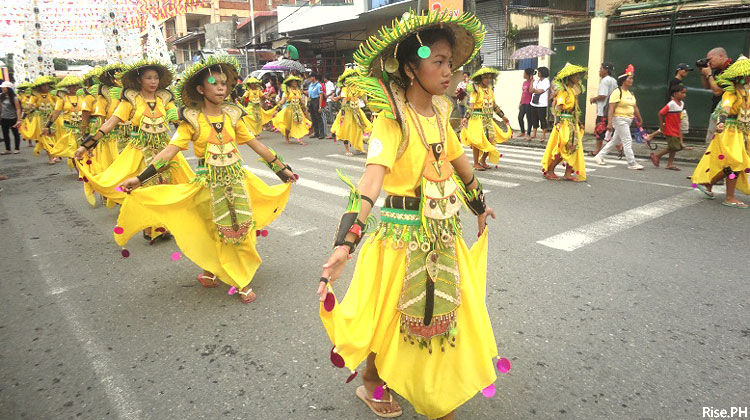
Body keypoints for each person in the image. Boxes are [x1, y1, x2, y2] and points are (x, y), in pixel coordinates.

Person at [317, 10, 504, 420]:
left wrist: (478, 202)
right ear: (410, 67)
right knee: (389, 317)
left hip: (443, 234)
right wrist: (344, 245)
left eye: (450, 63)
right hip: (401, 238)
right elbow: (370, 183)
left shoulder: (441, 113)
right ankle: (372, 382)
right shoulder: (391, 122)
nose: (448, 71)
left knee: (442, 315)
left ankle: (430, 387)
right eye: (437, 61)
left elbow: (459, 162)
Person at [115, 56, 296, 303]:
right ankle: (219, 273)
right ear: (200, 89)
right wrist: (139, 178)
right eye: (214, 83)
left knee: (240, 229)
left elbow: (256, 145)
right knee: (212, 230)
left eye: (224, 83)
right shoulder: (191, 120)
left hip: (236, 181)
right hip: (206, 184)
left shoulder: (233, 116)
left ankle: (239, 279)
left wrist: (281, 169)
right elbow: (169, 152)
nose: (221, 87)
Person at [74, 60, 194, 239]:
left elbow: (177, 118)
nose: (153, 82)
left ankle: (163, 224)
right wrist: (86, 144)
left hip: (164, 150)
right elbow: (109, 124)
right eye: (148, 78)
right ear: (139, 80)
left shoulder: (165, 98)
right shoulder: (130, 100)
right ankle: (149, 226)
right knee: (145, 187)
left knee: (168, 185)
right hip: (140, 151)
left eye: (155, 78)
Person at [691, 55, 750, 208]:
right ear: (741, 76)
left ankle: (708, 183)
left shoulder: (746, 92)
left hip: (742, 130)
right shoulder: (731, 92)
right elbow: (726, 108)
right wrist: (721, 122)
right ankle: (729, 197)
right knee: (736, 163)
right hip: (730, 130)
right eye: (747, 75)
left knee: (733, 164)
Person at [541, 63, 587, 182]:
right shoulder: (563, 92)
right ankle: (550, 170)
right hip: (564, 124)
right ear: (569, 77)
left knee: (574, 148)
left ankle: (568, 173)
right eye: (575, 75)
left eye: (578, 75)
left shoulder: (572, 91)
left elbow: (574, 110)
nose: (578, 77)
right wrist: (556, 123)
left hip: (573, 123)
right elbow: (558, 108)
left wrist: (580, 122)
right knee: (563, 148)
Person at [593, 64, 645, 170]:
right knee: (627, 140)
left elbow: (635, 108)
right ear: (623, 80)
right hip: (619, 119)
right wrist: (610, 123)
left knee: (615, 141)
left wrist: (639, 118)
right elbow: (611, 109)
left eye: (632, 78)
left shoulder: (630, 93)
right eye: (630, 78)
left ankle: (599, 156)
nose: (632, 80)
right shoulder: (617, 92)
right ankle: (632, 163)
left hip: (628, 120)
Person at [460, 67, 511, 170]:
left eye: (489, 78)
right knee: (477, 141)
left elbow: (494, 105)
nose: (488, 80)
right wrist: (466, 118)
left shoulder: (490, 90)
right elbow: (471, 106)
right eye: (486, 78)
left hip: (488, 120)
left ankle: (482, 160)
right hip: (477, 119)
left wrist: (503, 116)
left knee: (491, 140)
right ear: (480, 79)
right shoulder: (476, 90)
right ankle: (475, 163)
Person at [43, 76, 85, 162]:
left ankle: (85, 172)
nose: (74, 87)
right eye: (71, 86)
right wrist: (47, 126)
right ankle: (79, 173)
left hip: (83, 129)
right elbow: (55, 113)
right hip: (70, 130)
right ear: (67, 87)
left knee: (84, 153)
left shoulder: (83, 96)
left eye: (76, 85)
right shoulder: (62, 98)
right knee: (73, 153)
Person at [330, 69, 371, 155]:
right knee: (346, 129)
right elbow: (344, 99)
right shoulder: (345, 89)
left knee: (359, 128)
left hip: (357, 111)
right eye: (350, 78)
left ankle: (358, 147)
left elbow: (363, 97)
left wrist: (369, 106)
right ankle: (347, 150)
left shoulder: (357, 88)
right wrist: (343, 111)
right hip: (347, 111)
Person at [650, 84, 687, 171]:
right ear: (675, 94)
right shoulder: (671, 104)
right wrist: (662, 124)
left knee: (674, 148)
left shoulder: (682, 104)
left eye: (685, 93)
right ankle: (657, 156)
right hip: (670, 129)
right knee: (674, 147)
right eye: (682, 93)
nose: (684, 95)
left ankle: (670, 164)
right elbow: (661, 113)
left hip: (677, 128)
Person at [701, 47, 732, 143]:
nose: (708, 63)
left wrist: (709, 74)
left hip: (727, 113)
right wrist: (703, 73)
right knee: (711, 140)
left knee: (715, 142)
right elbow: (707, 86)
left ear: (721, 56)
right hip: (716, 110)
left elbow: (717, 91)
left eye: (710, 60)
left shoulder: (731, 69)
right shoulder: (718, 71)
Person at [28, 76, 60, 164]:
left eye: (47, 85)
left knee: (54, 137)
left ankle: (56, 154)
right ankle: (51, 157)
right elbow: (30, 105)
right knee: (46, 138)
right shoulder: (35, 95)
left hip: (52, 118)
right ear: (39, 86)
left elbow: (59, 104)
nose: (45, 87)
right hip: (41, 119)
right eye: (43, 85)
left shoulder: (53, 94)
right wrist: (30, 108)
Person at [272, 75, 311, 145]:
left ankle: (300, 140)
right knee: (288, 126)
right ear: (290, 83)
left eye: (295, 82)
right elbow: (282, 101)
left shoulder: (298, 91)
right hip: (289, 110)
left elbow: (301, 101)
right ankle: (287, 137)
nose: (295, 83)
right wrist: (276, 109)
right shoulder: (287, 92)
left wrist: (304, 109)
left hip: (298, 110)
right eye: (293, 82)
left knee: (299, 124)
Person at [588, 62, 617, 156]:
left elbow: (603, 95)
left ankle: (597, 151)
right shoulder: (613, 81)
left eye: (601, 69)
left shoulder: (605, 81)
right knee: (609, 131)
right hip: (610, 109)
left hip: (603, 110)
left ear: (606, 70)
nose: (599, 71)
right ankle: (619, 148)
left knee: (599, 131)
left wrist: (594, 99)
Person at [0, 81, 22, 155]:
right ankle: (7, 149)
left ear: (8, 88)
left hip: (13, 118)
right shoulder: (1, 96)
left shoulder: (14, 98)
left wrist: (19, 119)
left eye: (4, 87)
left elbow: (18, 109)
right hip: (4, 118)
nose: (3, 89)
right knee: (5, 133)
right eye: (2, 87)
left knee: (15, 133)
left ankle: (17, 148)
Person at [529, 66, 550, 141]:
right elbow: (530, 90)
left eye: (539, 72)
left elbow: (540, 91)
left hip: (542, 104)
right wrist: (531, 80)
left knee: (542, 119)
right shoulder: (536, 81)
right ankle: (534, 133)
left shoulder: (546, 81)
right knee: (534, 119)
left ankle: (543, 135)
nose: (538, 73)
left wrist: (534, 90)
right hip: (534, 103)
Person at [517, 68, 534, 139]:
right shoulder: (524, 83)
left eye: (525, 73)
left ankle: (528, 133)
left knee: (529, 118)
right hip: (523, 102)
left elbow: (531, 91)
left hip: (529, 103)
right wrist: (520, 102)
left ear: (528, 75)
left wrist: (532, 80)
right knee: (520, 117)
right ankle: (522, 131)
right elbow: (523, 93)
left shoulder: (533, 83)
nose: (523, 75)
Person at [307, 73, 325, 139]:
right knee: (313, 117)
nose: (310, 78)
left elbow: (321, 96)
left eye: (311, 77)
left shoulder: (318, 86)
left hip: (316, 101)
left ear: (314, 77)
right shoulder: (310, 85)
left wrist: (320, 106)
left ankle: (322, 133)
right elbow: (309, 94)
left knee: (318, 118)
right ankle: (316, 132)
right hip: (311, 101)